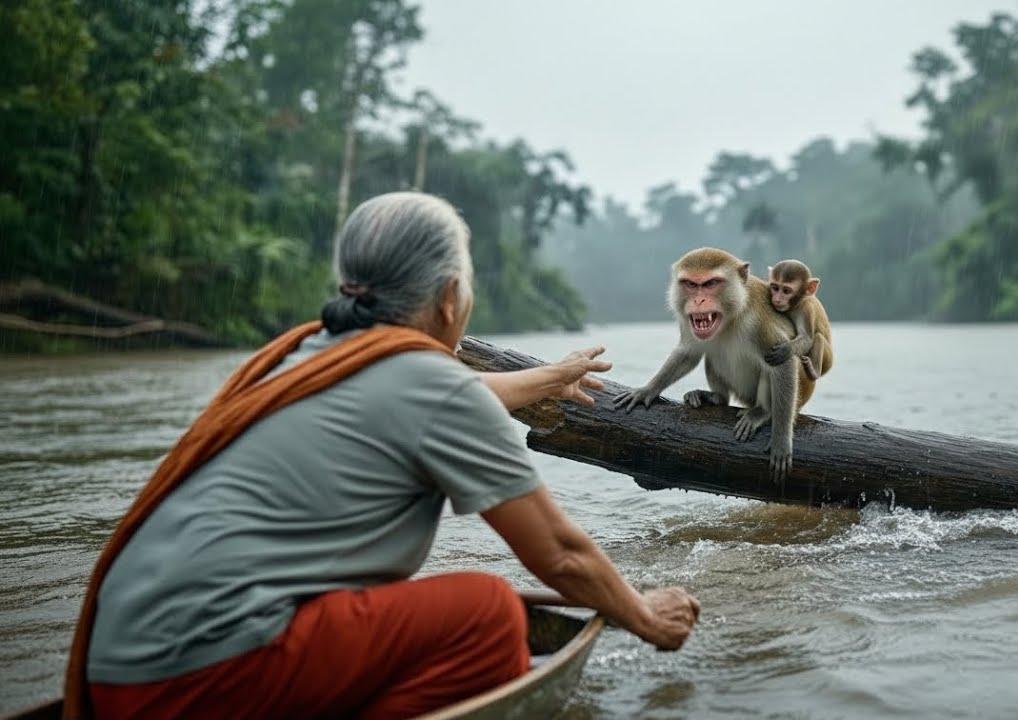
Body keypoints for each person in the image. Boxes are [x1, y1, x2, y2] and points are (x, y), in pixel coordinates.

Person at [65, 192, 701, 720]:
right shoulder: (428, 387)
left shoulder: (308, 353)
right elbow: (558, 554)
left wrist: (549, 378)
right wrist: (644, 615)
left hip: (119, 672)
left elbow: (451, 397)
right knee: (489, 616)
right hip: (200, 684)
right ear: (451, 296)